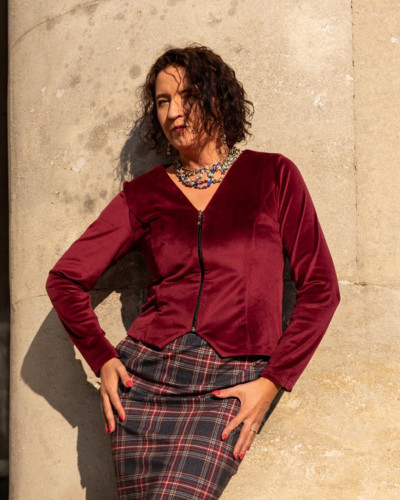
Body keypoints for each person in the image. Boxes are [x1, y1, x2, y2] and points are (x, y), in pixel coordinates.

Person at [45, 43, 341, 499]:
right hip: (145, 384)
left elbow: (321, 288)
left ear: (217, 98)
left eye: (186, 96)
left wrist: (271, 382)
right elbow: (65, 279)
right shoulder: (144, 194)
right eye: (163, 101)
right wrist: (102, 357)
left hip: (230, 382)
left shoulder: (273, 175)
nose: (173, 113)